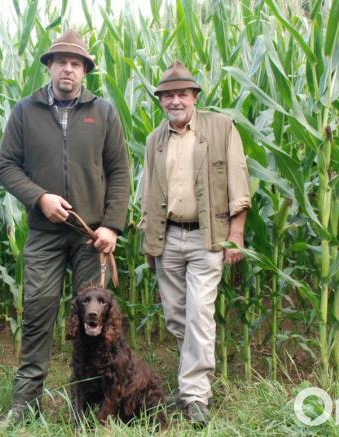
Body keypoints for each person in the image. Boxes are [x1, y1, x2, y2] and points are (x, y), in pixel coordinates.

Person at [0, 29, 131, 422]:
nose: (68, 70)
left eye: (76, 64)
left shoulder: (103, 111)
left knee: (94, 323)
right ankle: (26, 403)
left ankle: (87, 405)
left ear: (84, 71)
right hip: (43, 234)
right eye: (61, 62)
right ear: (50, 67)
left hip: (90, 238)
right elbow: (6, 166)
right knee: (38, 312)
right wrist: (40, 198)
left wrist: (111, 226)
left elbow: (119, 171)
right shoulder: (26, 111)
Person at [140, 61, 251, 427]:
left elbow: (238, 181)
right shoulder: (155, 139)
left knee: (199, 313)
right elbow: (148, 191)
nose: (175, 101)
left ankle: (194, 395)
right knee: (176, 317)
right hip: (168, 236)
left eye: (181, 94)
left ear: (194, 97)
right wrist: (146, 233)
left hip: (208, 237)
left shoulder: (221, 128)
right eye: (168, 95)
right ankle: (193, 383)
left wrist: (236, 235)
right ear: (161, 101)